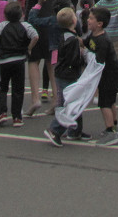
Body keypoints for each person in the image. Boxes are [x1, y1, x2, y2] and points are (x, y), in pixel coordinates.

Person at [24, 0, 69, 111]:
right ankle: (56, 98)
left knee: (33, 61)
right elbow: (68, 1)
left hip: (37, 24)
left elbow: (29, 5)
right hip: (55, 25)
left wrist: (26, 25)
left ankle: (35, 98)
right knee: (52, 62)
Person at [44, 8, 88, 146]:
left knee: (75, 102)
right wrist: (83, 57)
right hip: (68, 74)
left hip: (62, 72)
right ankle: (55, 129)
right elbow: (73, 60)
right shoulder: (72, 40)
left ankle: (75, 130)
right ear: (74, 21)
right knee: (71, 103)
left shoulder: (63, 36)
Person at [0, 1, 38, 127]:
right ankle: (17, 116)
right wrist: (28, 48)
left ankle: (2, 112)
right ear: (21, 14)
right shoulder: (25, 26)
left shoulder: (2, 26)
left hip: (4, 59)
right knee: (18, 88)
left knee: (3, 87)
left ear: (5, 15)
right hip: (19, 59)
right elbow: (35, 36)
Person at [85, 6, 118, 145]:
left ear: (99, 24)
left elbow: (98, 61)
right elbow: (86, 43)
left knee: (105, 103)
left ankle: (110, 131)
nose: (88, 20)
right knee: (110, 102)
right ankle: (115, 126)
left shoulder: (103, 40)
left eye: (91, 18)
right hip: (109, 75)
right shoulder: (93, 36)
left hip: (110, 76)